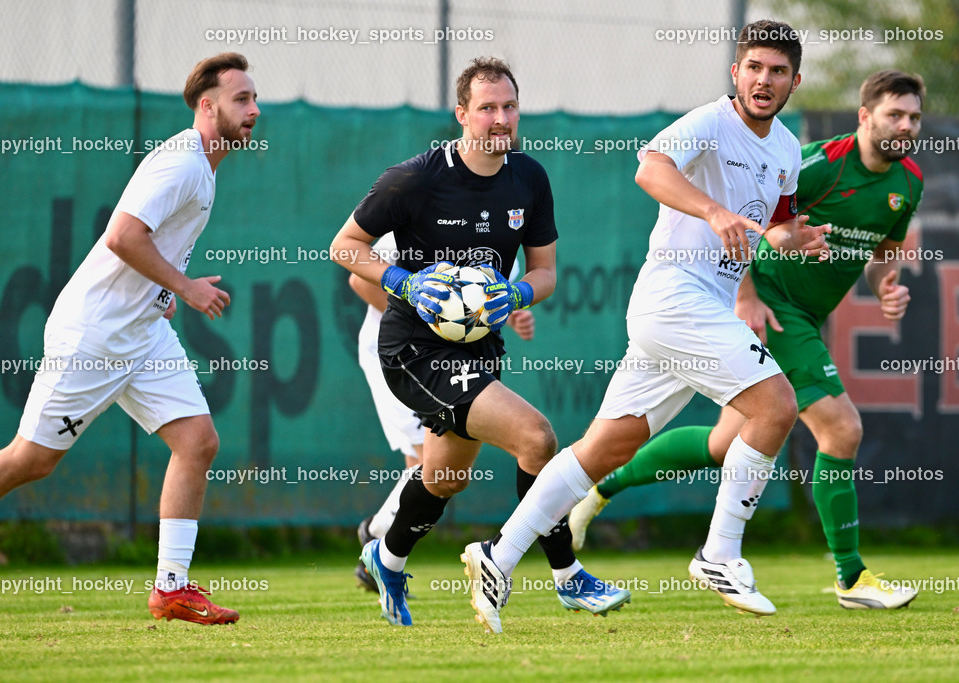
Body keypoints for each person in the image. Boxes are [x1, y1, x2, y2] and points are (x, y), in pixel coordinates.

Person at [462, 20, 834, 634]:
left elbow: (777, 227)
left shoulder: (788, 150)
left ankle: (498, 557)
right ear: (734, 73)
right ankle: (720, 553)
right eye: (753, 68)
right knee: (776, 406)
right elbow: (649, 169)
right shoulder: (711, 121)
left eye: (777, 71)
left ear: (796, 80)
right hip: (675, 297)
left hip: (694, 309)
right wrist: (713, 210)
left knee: (605, 448)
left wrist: (795, 239)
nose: (764, 81)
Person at [569, 69, 925, 610]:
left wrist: (887, 288)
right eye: (893, 115)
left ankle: (600, 489)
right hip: (778, 311)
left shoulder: (908, 183)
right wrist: (746, 294)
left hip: (808, 314)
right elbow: (761, 213)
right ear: (864, 117)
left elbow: (883, 257)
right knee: (842, 428)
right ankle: (851, 578)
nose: (905, 126)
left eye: (914, 118)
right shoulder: (822, 162)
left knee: (721, 444)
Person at [0, 53, 260, 625]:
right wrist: (185, 289)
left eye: (254, 99)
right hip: (93, 337)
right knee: (31, 460)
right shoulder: (181, 162)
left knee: (198, 441)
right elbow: (122, 236)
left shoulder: (205, 170)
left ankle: (172, 589)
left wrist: (164, 296)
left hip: (141, 335)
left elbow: (156, 247)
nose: (254, 111)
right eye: (242, 100)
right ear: (207, 106)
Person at [330, 56, 631, 627]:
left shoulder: (529, 177)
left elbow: (545, 273)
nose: (500, 119)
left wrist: (514, 296)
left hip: (477, 348)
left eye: (509, 107)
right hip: (411, 350)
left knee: (445, 475)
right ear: (462, 115)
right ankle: (568, 577)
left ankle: (386, 556)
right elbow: (345, 247)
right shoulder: (415, 178)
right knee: (537, 438)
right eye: (487, 108)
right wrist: (404, 281)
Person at [349, 233, 535, 593]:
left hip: (450, 362)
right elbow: (359, 279)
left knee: (443, 472)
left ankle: (379, 545)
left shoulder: (503, 230)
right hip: (395, 353)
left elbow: (475, 302)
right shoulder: (419, 212)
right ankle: (377, 540)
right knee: (426, 462)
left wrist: (511, 317)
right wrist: (427, 322)